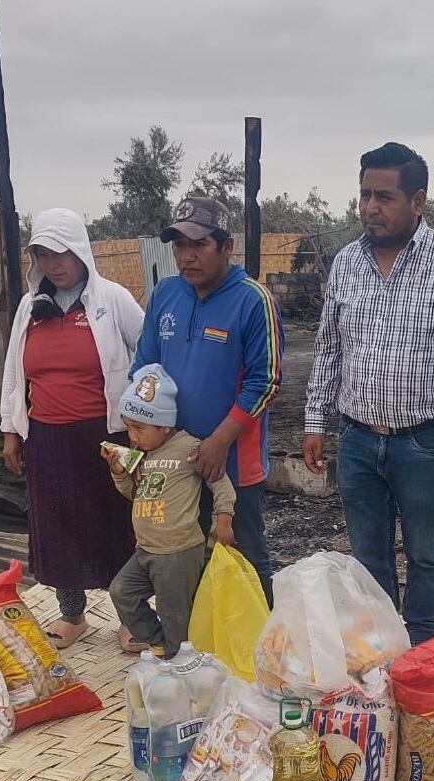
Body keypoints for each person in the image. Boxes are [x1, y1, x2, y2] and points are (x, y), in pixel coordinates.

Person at [302, 142, 434, 645]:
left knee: (426, 554)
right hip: (358, 440)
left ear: (418, 201)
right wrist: (314, 423)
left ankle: (424, 648)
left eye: (384, 196)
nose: (370, 207)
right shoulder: (346, 264)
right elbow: (330, 349)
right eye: (365, 194)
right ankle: (382, 648)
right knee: (367, 557)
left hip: (424, 442)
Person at [0, 207, 145, 649]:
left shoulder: (112, 300)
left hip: (107, 436)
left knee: (117, 524)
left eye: (60, 252)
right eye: (42, 254)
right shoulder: (29, 308)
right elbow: (13, 373)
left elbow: (149, 353)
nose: (53, 263)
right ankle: (72, 616)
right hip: (46, 436)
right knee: (57, 525)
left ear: (81, 250)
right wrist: (11, 431)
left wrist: (146, 420)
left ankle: (129, 617)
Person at [133, 195, 283, 602]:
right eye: (179, 245)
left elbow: (265, 382)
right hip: (174, 457)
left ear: (226, 246)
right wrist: (145, 432)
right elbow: (145, 366)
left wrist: (219, 441)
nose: (186, 256)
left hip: (232, 459)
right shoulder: (165, 294)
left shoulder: (253, 300)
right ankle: (200, 643)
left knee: (243, 551)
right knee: (184, 552)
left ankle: (260, 645)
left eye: (198, 245)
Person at [105, 364, 237, 658]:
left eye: (139, 428)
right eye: (128, 427)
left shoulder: (189, 448)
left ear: (164, 425)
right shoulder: (142, 456)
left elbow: (220, 483)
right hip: (146, 550)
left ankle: (181, 667)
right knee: (121, 592)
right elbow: (135, 494)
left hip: (178, 551)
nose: (133, 436)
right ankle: (161, 643)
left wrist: (223, 519)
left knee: (175, 613)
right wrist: (119, 472)